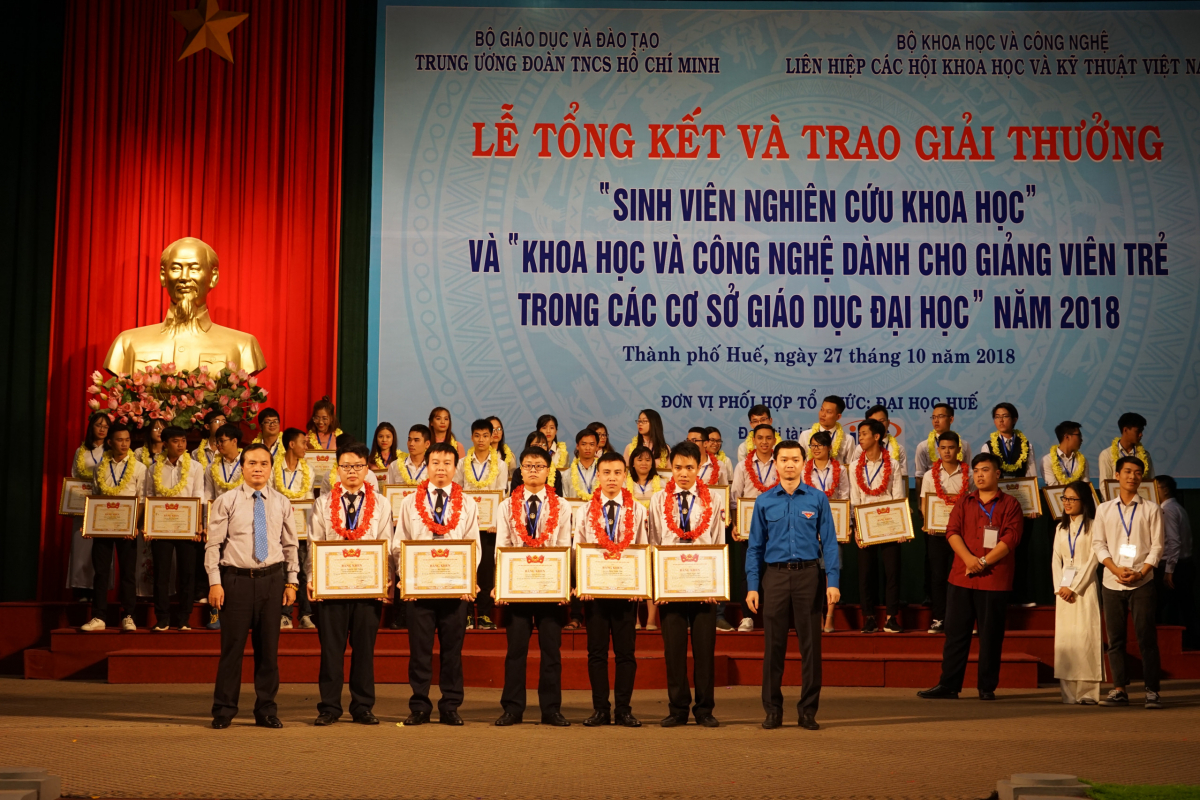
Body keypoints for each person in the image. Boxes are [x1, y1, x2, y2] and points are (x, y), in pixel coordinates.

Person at [746, 440, 840, 730]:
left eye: (795, 459)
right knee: (773, 647)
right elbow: (754, 548)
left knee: (811, 648)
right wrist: (752, 586)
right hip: (774, 577)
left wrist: (833, 581)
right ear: (775, 463)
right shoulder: (764, 501)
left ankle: (808, 711)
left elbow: (830, 544)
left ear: (803, 463)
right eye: (784, 459)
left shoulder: (817, 498)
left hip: (808, 577)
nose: (789, 464)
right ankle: (772, 711)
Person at [205, 443, 299, 729]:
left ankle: (266, 710)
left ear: (271, 468)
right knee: (232, 651)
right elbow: (213, 545)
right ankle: (224, 711)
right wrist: (215, 583)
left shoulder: (282, 502)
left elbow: (290, 545)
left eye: (263, 463)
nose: (258, 468)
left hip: (272, 581)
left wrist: (292, 581)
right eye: (252, 463)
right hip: (236, 582)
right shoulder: (227, 500)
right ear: (242, 467)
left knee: (268, 651)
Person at [919, 453, 1023, 701]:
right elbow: (951, 532)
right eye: (976, 470)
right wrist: (969, 560)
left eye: (985, 470)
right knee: (955, 634)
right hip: (962, 577)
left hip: (994, 579)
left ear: (997, 473)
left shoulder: (1010, 504)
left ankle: (986, 687)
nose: (979, 475)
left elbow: (1011, 538)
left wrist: (983, 562)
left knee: (990, 636)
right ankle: (949, 685)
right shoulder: (964, 501)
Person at [307, 443, 395, 726]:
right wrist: (312, 578)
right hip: (332, 588)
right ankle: (329, 708)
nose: (352, 471)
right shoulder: (322, 503)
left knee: (364, 650)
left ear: (367, 469)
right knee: (331, 650)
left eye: (358, 465)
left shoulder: (381, 504)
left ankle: (362, 707)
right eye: (346, 466)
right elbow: (314, 544)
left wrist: (387, 578)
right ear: (338, 469)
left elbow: (387, 543)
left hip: (368, 588)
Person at [395, 442, 480, 726]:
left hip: (455, 588)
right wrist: (405, 579)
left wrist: (469, 580)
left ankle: (450, 706)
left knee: (452, 651)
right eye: (435, 463)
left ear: (455, 468)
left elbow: (474, 545)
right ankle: (419, 706)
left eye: (447, 463)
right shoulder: (409, 502)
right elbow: (399, 543)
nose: (441, 468)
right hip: (419, 589)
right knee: (419, 651)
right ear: (426, 466)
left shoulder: (467, 503)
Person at [492, 445, 573, 727]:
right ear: (521, 470)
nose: (533, 470)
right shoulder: (506, 505)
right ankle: (512, 709)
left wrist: (564, 585)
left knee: (551, 651)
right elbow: (501, 547)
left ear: (549, 471)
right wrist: (500, 584)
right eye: (528, 466)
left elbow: (564, 546)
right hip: (517, 588)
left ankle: (551, 709)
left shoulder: (562, 505)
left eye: (539, 466)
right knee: (516, 650)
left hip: (551, 588)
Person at [648, 441, 725, 727]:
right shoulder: (658, 499)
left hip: (704, 586)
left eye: (689, 467)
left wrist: (716, 587)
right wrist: (658, 587)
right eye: (678, 467)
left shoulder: (712, 499)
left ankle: (705, 710)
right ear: (670, 467)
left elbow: (718, 542)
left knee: (705, 651)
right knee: (674, 650)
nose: (683, 473)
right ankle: (678, 709)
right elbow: (654, 543)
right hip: (671, 586)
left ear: (699, 467)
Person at [573, 451, 648, 727]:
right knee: (597, 653)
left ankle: (624, 710)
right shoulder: (584, 511)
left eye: (617, 473)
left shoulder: (638, 510)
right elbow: (577, 549)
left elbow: (643, 547)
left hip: (626, 591)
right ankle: (601, 709)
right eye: (606, 473)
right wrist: (581, 583)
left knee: (626, 653)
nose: (612, 478)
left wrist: (640, 584)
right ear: (598, 476)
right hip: (595, 593)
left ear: (625, 475)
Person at [1094, 456, 1164, 709]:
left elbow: (1157, 547)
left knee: (1146, 637)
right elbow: (1098, 544)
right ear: (1117, 475)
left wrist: (1141, 573)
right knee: (1115, 640)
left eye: (1137, 472)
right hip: (1111, 582)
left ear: (1142, 477)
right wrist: (1114, 569)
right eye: (1127, 471)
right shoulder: (1104, 509)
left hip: (1142, 582)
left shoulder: (1152, 509)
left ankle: (1152, 691)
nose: (1132, 476)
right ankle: (1119, 689)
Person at [80, 423, 148, 632]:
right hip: (103, 527)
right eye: (120, 440)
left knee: (128, 573)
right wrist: (90, 525)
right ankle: (98, 616)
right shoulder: (100, 466)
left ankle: (128, 615)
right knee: (100, 572)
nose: (124, 444)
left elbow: (142, 500)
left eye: (127, 440)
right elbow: (95, 497)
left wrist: (134, 526)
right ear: (110, 442)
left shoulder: (139, 468)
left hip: (127, 529)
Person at [145, 426, 206, 631]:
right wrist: (148, 526)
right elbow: (149, 496)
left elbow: (199, 496)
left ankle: (184, 618)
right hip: (161, 527)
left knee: (187, 573)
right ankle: (162, 618)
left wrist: (198, 524)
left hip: (187, 527)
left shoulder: (195, 467)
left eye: (183, 441)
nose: (181, 445)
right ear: (165, 443)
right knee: (161, 573)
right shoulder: (153, 469)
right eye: (175, 441)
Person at [850, 418, 907, 633]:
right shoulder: (855, 466)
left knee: (892, 571)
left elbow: (898, 496)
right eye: (859, 434)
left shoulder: (893, 464)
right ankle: (869, 617)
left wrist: (901, 528)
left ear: (877, 436)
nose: (860, 438)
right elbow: (855, 499)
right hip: (865, 524)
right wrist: (857, 528)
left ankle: (891, 617)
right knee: (866, 573)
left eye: (864, 434)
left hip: (890, 523)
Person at [980, 402, 1038, 606]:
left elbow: (1031, 474)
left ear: (1014, 419)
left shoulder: (1026, 445)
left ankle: (1020, 595)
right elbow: (986, 477)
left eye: (1005, 416)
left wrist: (1033, 506)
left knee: (1021, 551)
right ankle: (997, 596)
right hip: (998, 506)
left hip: (1022, 505)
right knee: (997, 549)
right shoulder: (988, 446)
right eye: (997, 417)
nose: (1001, 420)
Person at [1051, 481, 1103, 705]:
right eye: (1065, 498)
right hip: (1063, 589)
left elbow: (1094, 560)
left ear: (1084, 501)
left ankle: (1088, 693)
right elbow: (1056, 560)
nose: (1067, 503)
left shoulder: (1094, 526)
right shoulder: (1060, 528)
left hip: (1085, 587)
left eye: (1072, 499)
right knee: (1067, 639)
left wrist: (1074, 587)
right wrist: (1060, 588)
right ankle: (1069, 693)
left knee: (1086, 636)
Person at [456, 419, 508, 631]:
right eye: (477, 435)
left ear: (492, 437)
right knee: (469, 568)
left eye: (485, 435)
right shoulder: (462, 464)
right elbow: (457, 492)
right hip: (467, 525)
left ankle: (485, 614)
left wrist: (495, 521)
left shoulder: (500, 464)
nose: (481, 440)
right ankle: (468, 614)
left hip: (489, 527)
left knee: (486, 569)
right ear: (471, 437)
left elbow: (502, 494)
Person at [728, 424, 782, 632]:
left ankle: (773, 617)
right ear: (753, 440)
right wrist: (735, 524)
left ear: (774, 440)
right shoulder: (743, 466)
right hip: (749, 526)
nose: (764, 442)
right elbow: (735, 499)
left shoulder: (781, 463)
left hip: (777, 526)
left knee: (774, 572)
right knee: (748, 570)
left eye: (768, 438)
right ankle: (747, 617)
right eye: (760, 438)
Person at [918, 432, 968, 635]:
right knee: (938, 577)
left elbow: (972, 503)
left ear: (958, 449)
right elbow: (924, 503)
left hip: (962, 535)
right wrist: (929, 520)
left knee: (962, 576)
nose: (947, 452)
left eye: (951, 448)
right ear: (938, 450)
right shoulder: (930, 475)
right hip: (936, 533)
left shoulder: (968, 474)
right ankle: (939, 618)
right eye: (943, 448)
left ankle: (962, 619)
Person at [803, 430, 849, 633]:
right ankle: (817, 615)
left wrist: (847, 525)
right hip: (809, 525)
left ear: (829, 447)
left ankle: (830, 615)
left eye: (820, 445)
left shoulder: (840, 470)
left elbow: (845, 496)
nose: (816, 449)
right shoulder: (804, 469)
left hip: (834, 524)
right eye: (813, 445)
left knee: (832, 568)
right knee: (812, 571)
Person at [275, 427, 315, 629]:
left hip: (301, 530)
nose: (306, 446)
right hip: (278, 530)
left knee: (303, 571)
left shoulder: (309, 471)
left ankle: (306, 615)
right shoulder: (274, 469)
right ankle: (285, 615)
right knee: (283, 571)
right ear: (291, 444)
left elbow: (309, 501)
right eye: (303, 442)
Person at [67, 411, 110, 600]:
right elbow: (74, 478)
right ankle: (80, 590)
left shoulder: (111, 451)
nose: (102, 429)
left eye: (106, 426)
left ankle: (97, 592)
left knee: (101, 550)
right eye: (98, 425)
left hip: (105, 508)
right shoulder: (81, 451)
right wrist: (71, 504)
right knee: (81, 547)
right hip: (83, 507)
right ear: (91, 427)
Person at [627, 444, 664, 631]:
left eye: (648, 459)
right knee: (633, 573)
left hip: (654, 533)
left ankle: (650, 619)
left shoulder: (662, 483)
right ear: (632, 463)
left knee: (652, 575)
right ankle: (634, 618)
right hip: (630, 535)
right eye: (639, 459)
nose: (644, 463)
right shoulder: (624, 483)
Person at [1156, 475, 1196, 648]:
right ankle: (1189, 645)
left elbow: (1174, 542)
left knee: (1164, 608)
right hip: (1184, 564)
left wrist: (1169, 570)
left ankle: (1173, 648)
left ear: (1165, 490)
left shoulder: (1168, 510)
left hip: (1174, 567)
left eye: (1156, 488)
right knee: (1184, 608)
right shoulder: (1178, 507)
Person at [913, 403, 972, 480]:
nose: (936, 421)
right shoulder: (923, 446)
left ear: (951, 419)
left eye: (940, 416)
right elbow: (919, 476)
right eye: (933, 417)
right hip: (932, 486)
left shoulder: (964, 445)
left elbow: (968, 472)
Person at [850, 404, 908, 478]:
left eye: (881, 421)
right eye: (874, 422)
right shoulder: (860, 449)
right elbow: (855, 473)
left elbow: (903, 477)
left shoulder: (899, 449)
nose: (878, 425)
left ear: (888, 423)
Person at [1098, 412, 1155, 483]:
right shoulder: (1107, 454)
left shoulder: (1145, 455)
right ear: (1125, 430)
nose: (1141, 434)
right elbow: (1104, 485)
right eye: (1138, 431)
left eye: (1142, 431)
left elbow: (1151, 482)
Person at [799, 396, 852, 466]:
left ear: (838, 416)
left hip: (837, 472)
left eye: (828, 412)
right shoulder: (805, 435)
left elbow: (850, 466)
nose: (823, 414)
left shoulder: (847, 439)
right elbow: (799, 462)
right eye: (821, 409)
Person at [1043, 420, 1089, 486]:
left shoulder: (1083, 461)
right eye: (1079, 435)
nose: (1081, 439)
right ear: (1067, 437)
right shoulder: (1047, 460)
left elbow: (1085, 486)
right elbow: (1053, 488)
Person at [206, 423, 245, 500]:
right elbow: (208, 494)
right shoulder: (211, 467)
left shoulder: (247, 463)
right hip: (219, 506)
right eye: (217, 441)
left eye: (221, 441)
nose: (218, 445)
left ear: (234, 441)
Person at [565, 428, 600, 500]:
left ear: (597, 447)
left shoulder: (603, 472)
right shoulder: (567, 474)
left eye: (591, 444)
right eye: (583, 444)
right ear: (577, 446)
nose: (587, 448)